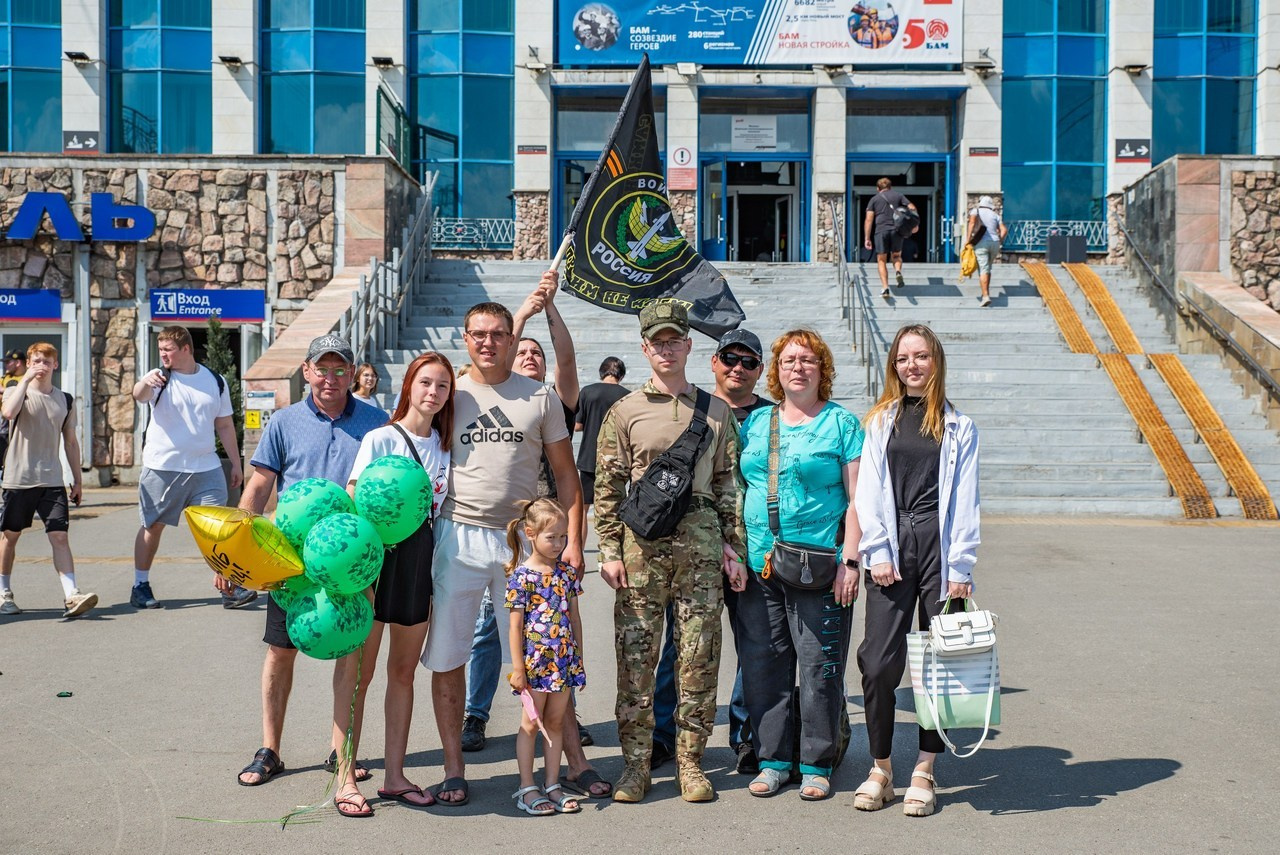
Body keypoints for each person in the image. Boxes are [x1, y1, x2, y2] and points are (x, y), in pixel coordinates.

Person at [420, 295, 584, 808]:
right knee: (449, 657)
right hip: (459, 535)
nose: (487, 342)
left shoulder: (540, 397)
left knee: (551, 653)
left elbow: (565, 475)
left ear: (513, 340)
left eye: (498, 334)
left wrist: (574, 540)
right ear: (464, 339)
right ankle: (453, 769)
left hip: (524, 545)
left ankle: (566, 765)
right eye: (478, 334)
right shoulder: (448, 393)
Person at [594, 301, 747, 804]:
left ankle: (691, 763)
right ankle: (636, 766)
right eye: (657, 342)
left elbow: (728, 485)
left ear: (688, 345)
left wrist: (735, 549)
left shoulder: (717, 410)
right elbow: (609, 487)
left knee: (698, 655)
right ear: (645, 348)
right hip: (641, 546)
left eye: (674, 340)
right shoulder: (625, 410)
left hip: (701, 542)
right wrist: (609, 550)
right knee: (636, 655)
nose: (666, 348)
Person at [229, 334, 388, 799]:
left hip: (352, 562)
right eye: (323, 369)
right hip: (292, 562)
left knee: (352, 656)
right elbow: (259, 486)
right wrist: (238, 548)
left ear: (353, 374)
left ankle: (342, 752)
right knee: (280, 651)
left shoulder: (377, 423)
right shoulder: (284, 421)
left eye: (340, 370)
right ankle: (269, 749)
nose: (331, 378)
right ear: (306, 369)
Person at [853, 323, 980, 818]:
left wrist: (961, 566)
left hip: (939, 547)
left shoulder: (958, 425)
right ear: (894, 366)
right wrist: (877, 549)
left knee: (938, 664)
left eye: (921, 356)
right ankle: (881, 767)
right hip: (891, 542)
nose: (912, 365)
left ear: (936, 362)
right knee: (878, 662)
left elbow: (966, 499)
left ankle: (925, 767)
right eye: (904, 358)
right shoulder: (881, 420)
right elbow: (868, 490)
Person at [737, 329, 864, 801]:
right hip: (758, 566)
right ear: (777, 370)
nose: (797, 368)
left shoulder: (841, 424)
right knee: (764, 665)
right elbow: (736, 487)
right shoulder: (756, 422)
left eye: (807, 360)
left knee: (819, 667)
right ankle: (772, 759)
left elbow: (859, 501)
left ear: (822, 369)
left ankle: (816, 760)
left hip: (819, 567)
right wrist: (733, 551)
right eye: (789, 360)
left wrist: (850, 561)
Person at [331, 352, 454, 814]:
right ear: (410, 385)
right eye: (426, 382)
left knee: (403, 672)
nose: (433, 393)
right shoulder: (381, 437)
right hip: (374, 560)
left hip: (419, 562)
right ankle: (345, 776)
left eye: (442, 386)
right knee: (356, 672)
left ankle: (395, 775)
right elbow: (352, 498)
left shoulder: (445, 446)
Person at [652, 329, 770, 774]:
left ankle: (744, 736)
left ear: (760, 371)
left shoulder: (773, 418)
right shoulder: (692, 406)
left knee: (752, 647)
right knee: (679, 646)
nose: (737, 367)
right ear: (713, 362)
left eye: (748, 361)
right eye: (729, 358)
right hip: (690, 546)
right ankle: (666, 734)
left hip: (751, 549)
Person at [129, 325, 252, 610]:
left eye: (168, 349)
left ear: (186, 349)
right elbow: (138, 394)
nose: (163, 355)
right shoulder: (159, 377)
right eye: (160, 350)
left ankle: (229, 587)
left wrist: (235, 463)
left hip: (206, 468)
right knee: (153, 526)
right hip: (163, 467)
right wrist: (145, 382)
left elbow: (223, 424)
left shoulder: (215, 380)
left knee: (217, 530)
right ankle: (140, 584)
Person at [0, 343, 94, 619]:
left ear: (55, 365)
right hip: (19, 479)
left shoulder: (64, 400)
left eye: (46, 361)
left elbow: (71, 443)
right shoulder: (18, 391)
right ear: (29, 363)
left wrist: (77, 480)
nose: (41, 365)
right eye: (35, 360)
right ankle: (4, 591)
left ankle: (71, 595)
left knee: (60, 536)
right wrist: (26, 379)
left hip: (52, 479)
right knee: (10, 537)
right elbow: (8, 413)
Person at [504, 499, 586, 815]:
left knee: (554, 722)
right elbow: (514, 628)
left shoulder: (566, 574)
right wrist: (517, 669)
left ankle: (552, 784)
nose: (558, 543)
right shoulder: (521, 576)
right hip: (535, 665)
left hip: (563, 663)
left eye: (563, 537)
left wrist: (579, 657)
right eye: (551, 537)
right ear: (530, 534)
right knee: (530, 724)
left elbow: (574, 618)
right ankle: (527, 787)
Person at [573, 357, 628, 510]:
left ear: (601, 373)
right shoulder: (628, 397)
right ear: (621, 375)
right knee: (613, 506)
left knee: (582, 507)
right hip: (617, 459)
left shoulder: (587, 391)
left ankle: (578, 535)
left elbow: (577, 426)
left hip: (590, 457)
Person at [863, 177, 918, 298]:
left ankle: (885, 288)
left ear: (878, 189)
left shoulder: (874, 199)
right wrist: (915, 224)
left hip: (881, 231)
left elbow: (869, 219)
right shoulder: (898, 195)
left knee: (881, 259)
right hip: (896, 230)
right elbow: (912, 207)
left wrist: (867, 238)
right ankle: (898, 271)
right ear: (890, 187)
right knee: (896, 256)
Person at [965, 195, 1009, 307]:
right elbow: (1004, 230)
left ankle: (985, 296)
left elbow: (972, 223)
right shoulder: (995, 215)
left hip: (981, 243)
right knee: (987, 268)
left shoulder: (976, 210)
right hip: (994, 243)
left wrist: (968, 239)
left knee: (983, 269)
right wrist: (999, 240)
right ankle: (985, 292)